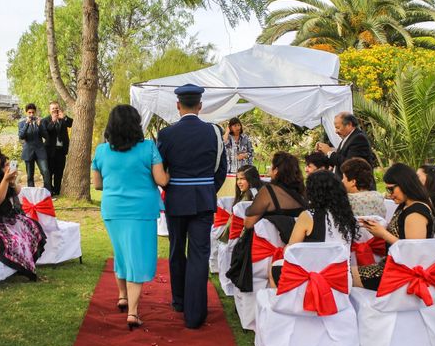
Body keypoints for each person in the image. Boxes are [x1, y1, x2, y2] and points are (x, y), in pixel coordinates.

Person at [92, 105, 169, 330]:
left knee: (122, 253)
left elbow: (98, 184)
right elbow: (162, 180)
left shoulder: (101, 151)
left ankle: (122, 296)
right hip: (141, 211)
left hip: (113, 209)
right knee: (136, 258)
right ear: (136, 124)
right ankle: (133, 313)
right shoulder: (148, 148)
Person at [157, 83, 227, 329]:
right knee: (199, 255)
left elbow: (160, 171)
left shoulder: (166, 135)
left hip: (176, 199)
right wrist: (207, 190)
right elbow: (221, 169)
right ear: (200, 105)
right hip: (203, 200)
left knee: (177, 250)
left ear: (178, 106)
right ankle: (195, 314)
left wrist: (172, 189)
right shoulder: (215, 132)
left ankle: (179, 301)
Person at [352, 163, 435, 291]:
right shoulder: (407, 205)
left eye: (391, 189)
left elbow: (413, 254)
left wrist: (383, 234)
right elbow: (401, 233)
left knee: (341, 277)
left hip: (399, 275)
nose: (389, 194)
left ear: (404, 184)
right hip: (391, 267)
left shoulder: (416, 212)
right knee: (341, 273)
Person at [0, 145, 47, 280]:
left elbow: (17, 191)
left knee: (32, 227)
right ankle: (22, 268)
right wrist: (5, 180)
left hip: (5, 217)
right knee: (19, 238)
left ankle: (23, 266)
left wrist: (10, 181)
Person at [271, 170, 358, 285]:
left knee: (273, 268)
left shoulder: (308, 216)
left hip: (310, 278)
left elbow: (291, 250)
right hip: (342, 279)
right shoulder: (347, 217)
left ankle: (284, 302)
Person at [244, 151, 307, 229]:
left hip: (268, 240)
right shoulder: (302, 190)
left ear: (276, 170)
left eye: (271, 164)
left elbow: (248, 224)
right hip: (296, 239)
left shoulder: (269, 191)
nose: (269, 167)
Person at [315, 112, 376, 179]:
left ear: (349, 125)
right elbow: (337, 162)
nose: (336, 131)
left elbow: (349, 164)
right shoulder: (347, 138)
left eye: (338, 128)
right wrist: (323, 153)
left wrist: (329, 152)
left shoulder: (358, 139)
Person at [18, 103, 52, 193]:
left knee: (45, 171)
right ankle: (31, 194)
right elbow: (21, 136)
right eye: (29, 112)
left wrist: (40, 125)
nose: (31, 114)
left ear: (35, 112)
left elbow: (46, 136)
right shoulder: (22, 123)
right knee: (30, 175)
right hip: (28, 151)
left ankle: (48, 193)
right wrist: (26, 124)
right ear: (26, 113)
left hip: (40, 151)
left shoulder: (40, 122)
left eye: (33, 112)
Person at [42, 101, 73, 196]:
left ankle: (57, 191)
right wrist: (53, 121)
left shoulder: (63, 118)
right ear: (49, 110)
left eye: (56, 108)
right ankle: (49, 192)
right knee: (49, 172)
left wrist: (64, 117)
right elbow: (47, 132)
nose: (55, 110)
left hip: (61, 150)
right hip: (50, 151)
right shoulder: (46, 120)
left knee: (59, 172)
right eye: (53, 108)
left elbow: (71, 123)